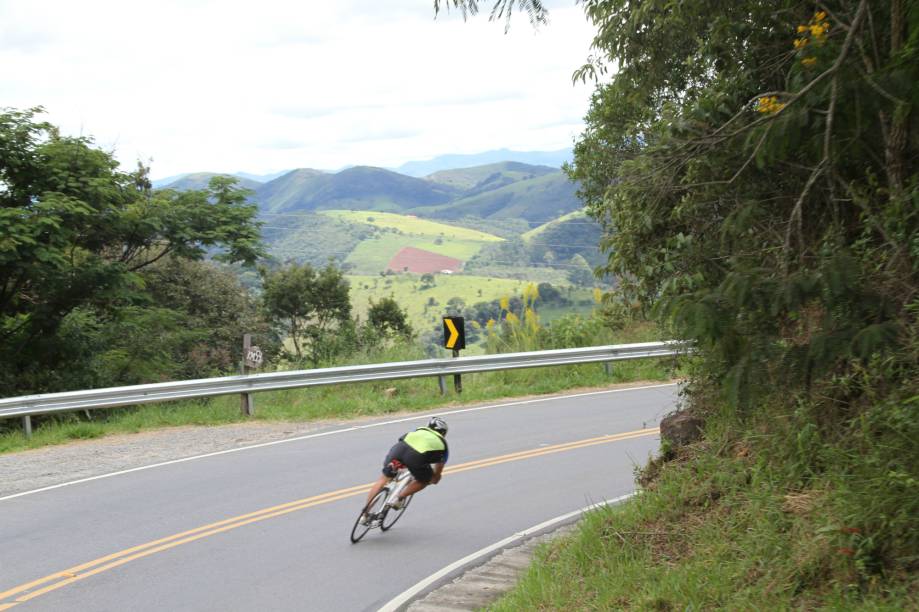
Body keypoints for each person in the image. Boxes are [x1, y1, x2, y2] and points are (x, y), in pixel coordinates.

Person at [362, 417, 449, 521]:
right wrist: (435, 478)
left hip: (398, 450)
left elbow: (402, 440)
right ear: (443, 432)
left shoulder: (418, 430)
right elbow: (438, 470)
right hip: (416, 458)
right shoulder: (443, 444)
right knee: (424, 480)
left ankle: (365, 514)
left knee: (384, 479)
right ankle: (398, 498)